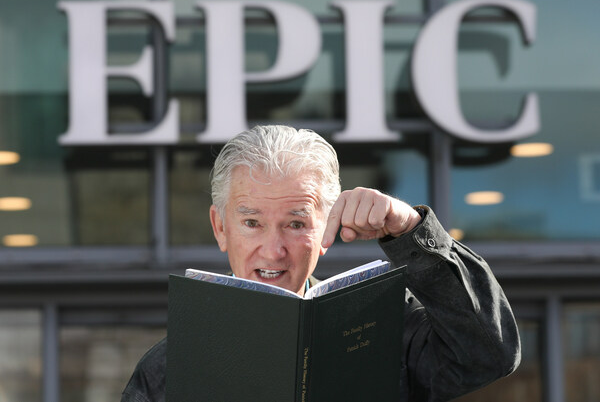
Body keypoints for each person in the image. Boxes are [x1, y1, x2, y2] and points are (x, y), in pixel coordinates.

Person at [121, 125, 521, 402]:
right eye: (252, 223)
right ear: (220, 227)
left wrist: (410, 230)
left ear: (327, 229)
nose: (274, 249)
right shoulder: (168, 371)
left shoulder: (383, 327)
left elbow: (489, 354)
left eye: (296, 223)